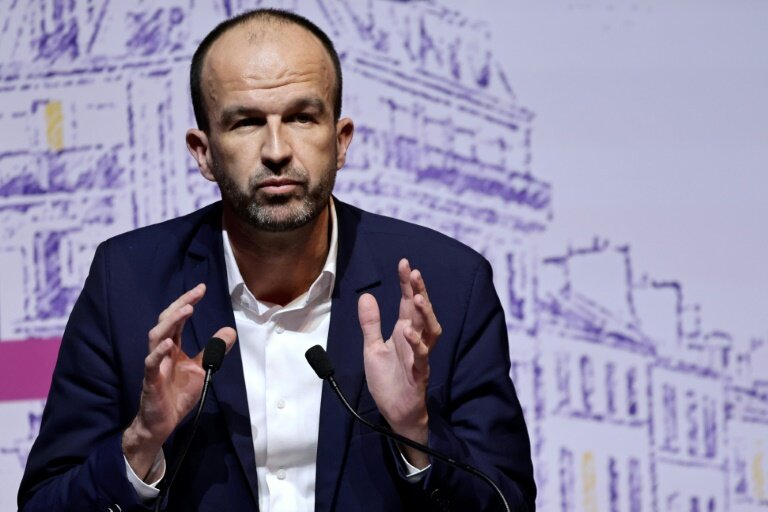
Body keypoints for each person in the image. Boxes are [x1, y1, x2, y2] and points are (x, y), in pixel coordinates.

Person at [18, 8, 535, 512]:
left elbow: (508, 501)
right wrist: (141, 444)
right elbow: (44, 501)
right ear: (203, 151)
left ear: (340, 140)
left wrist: (417, 435)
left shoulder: (449, 283)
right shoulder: (125, 282)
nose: (276, 149)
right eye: (245, 122)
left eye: (301, 117)